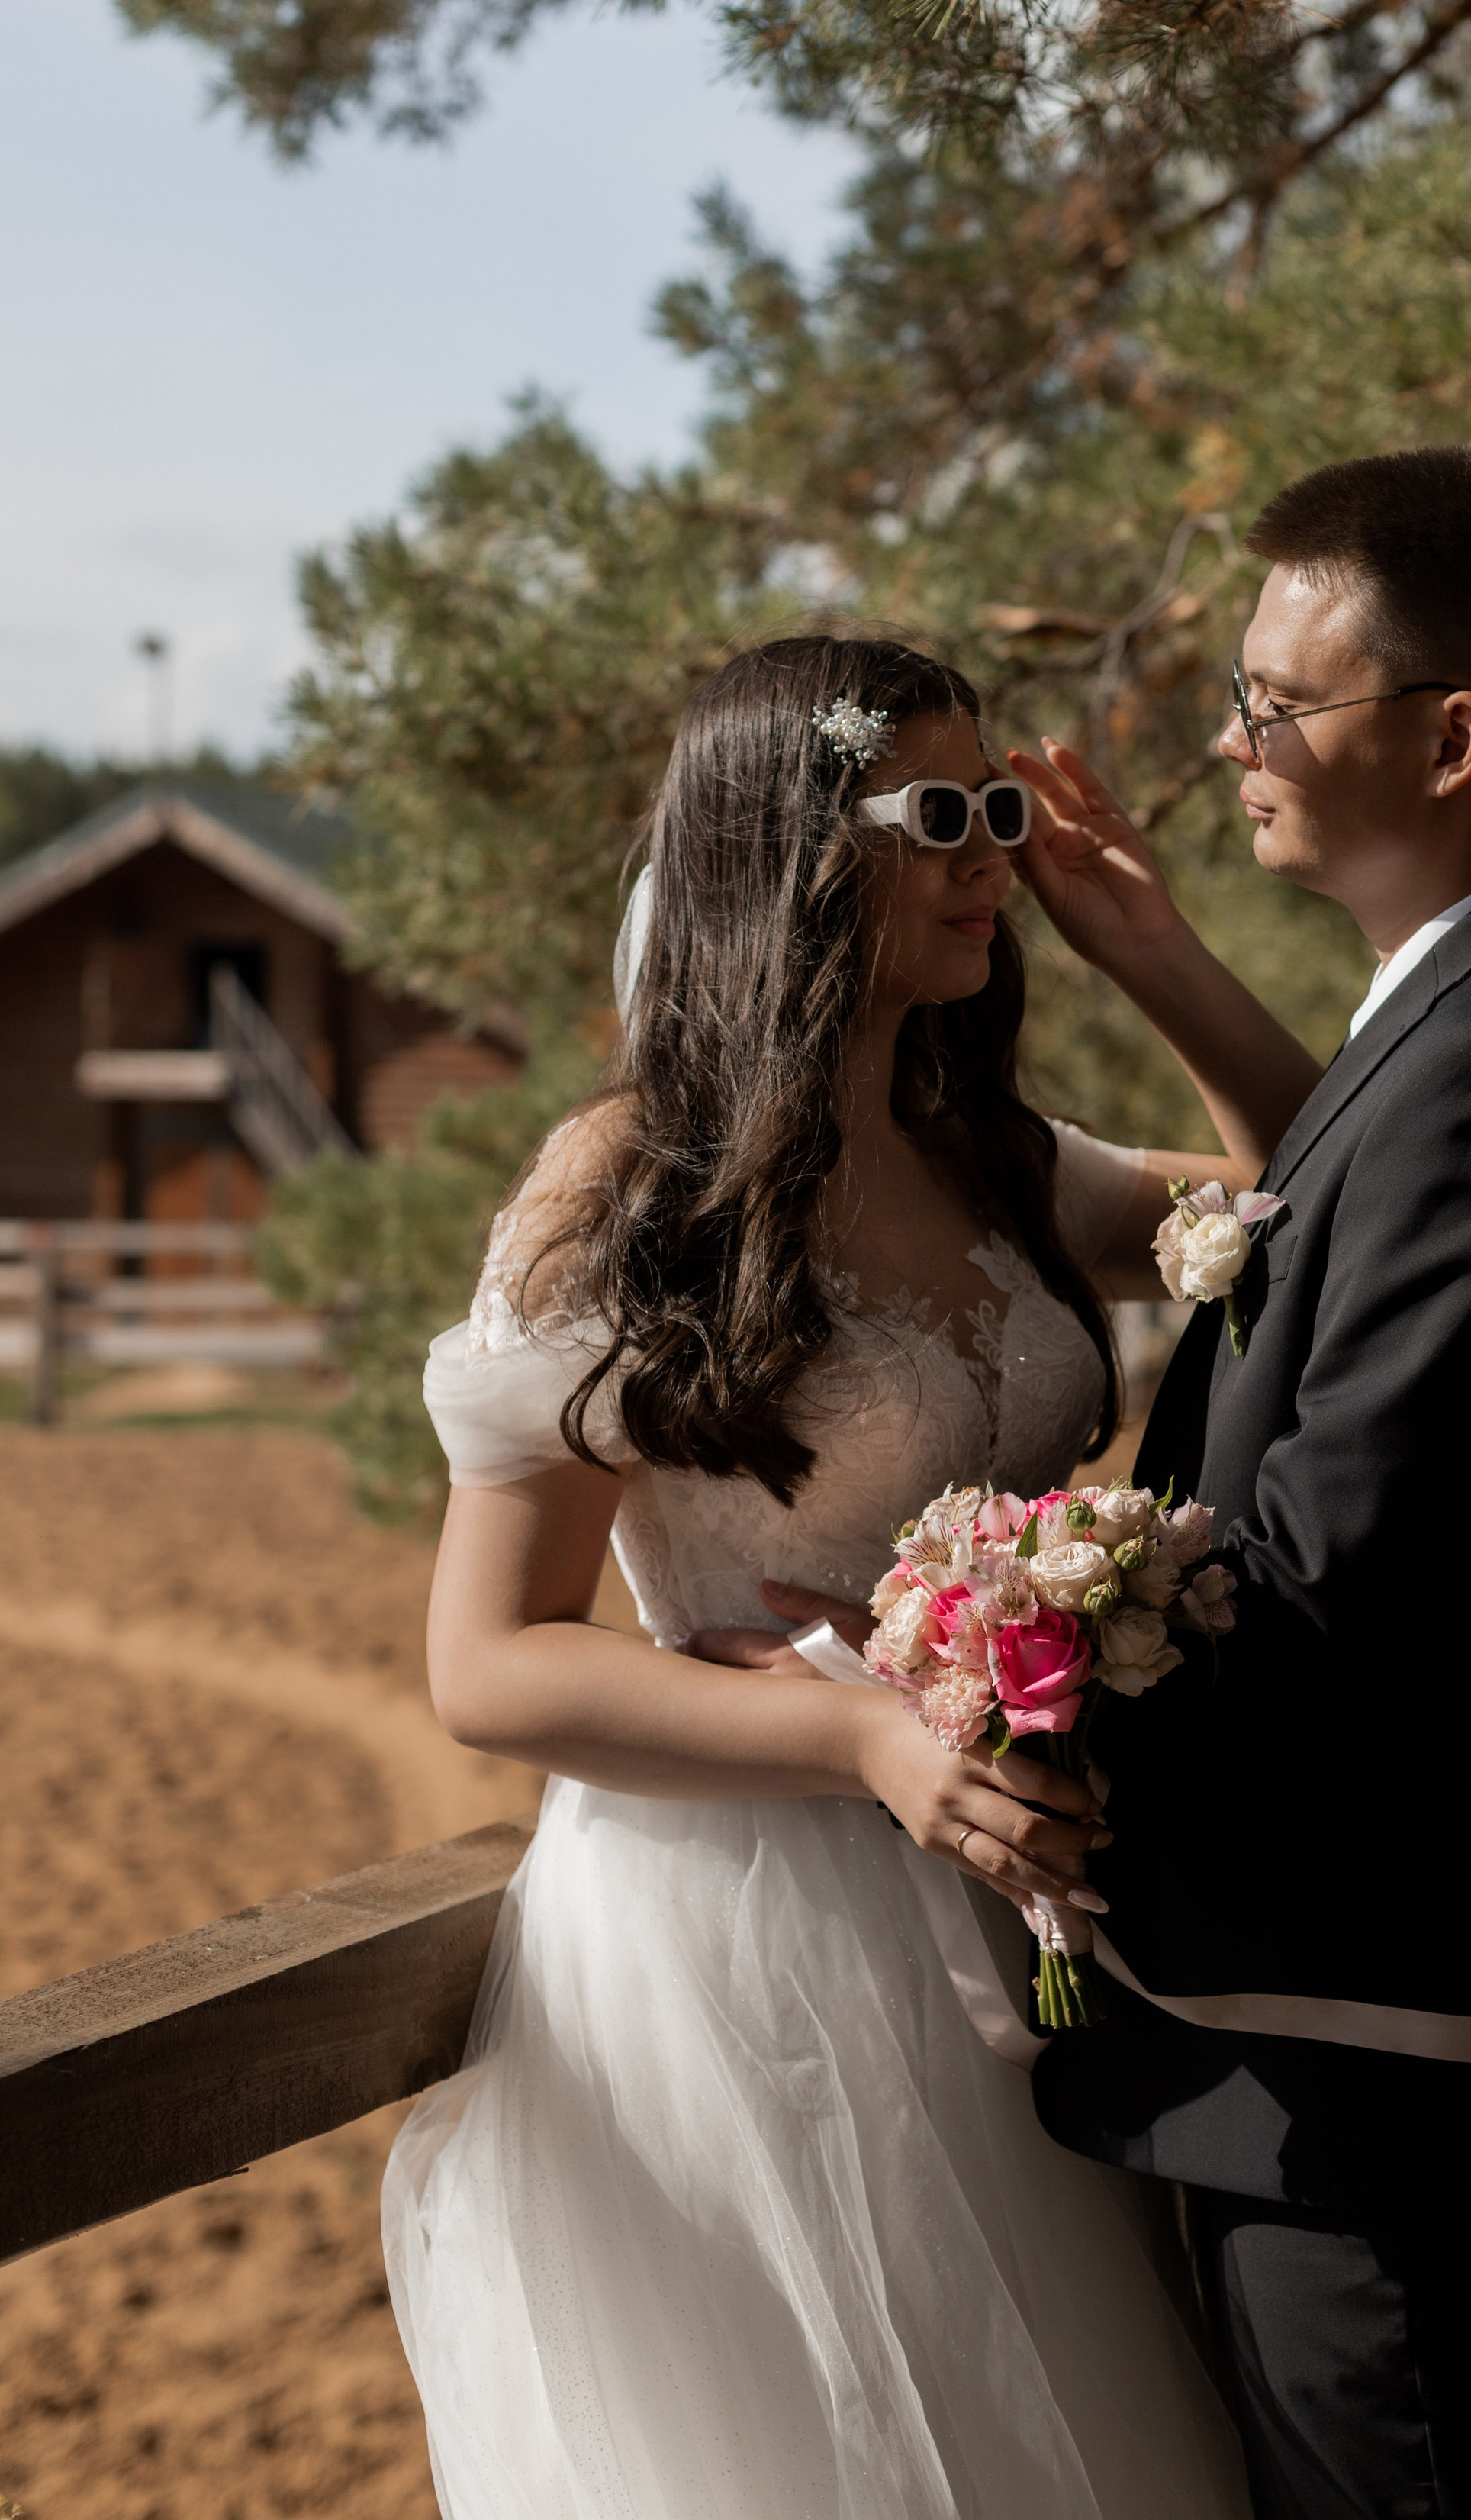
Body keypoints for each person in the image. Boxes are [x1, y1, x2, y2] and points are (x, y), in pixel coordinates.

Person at [383, 632, 1317, 2520]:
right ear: (787, 851)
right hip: (752, 1940)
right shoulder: (622, 1195)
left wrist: (1147, 949)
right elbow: (486, 1667)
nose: (991, 857)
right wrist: (863, 1746)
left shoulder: (990, 1154)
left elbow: (1311, 1193)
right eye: (942, 817)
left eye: (998, 813)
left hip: (1034, 1896)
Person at [1012, 447, 1471, 2517]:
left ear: (1451, 733)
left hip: (1396, 2059)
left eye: (1272, 700)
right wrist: (1152, 953)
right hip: (1353, 2046)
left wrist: (998, 1665)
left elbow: (1328, 1567)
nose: (1231, 741)